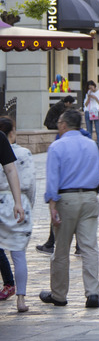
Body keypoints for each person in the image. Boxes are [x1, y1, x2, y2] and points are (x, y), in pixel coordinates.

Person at [40, 109, 99, 308]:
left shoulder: (57, 147)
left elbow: (52, 181)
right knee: (89, 247)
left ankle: (59, 295)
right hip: (90, 198)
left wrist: (52, 207)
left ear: (63, 124)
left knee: (61, 249)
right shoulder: (93, 145)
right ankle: (92, 293)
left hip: (66, 199)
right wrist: (89, 179)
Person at [0, 117, 33, 312]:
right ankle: (21, 300)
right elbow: (12, 171)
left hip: (10, 201)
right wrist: (20, 202)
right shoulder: (21, 151)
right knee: (18, 254)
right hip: (11, 202)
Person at [83, 80, 99, 145]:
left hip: (96, 111)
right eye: (89, 88)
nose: (91, 89)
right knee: (89, 130)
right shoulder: (88, 92)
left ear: (94, 86)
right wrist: (89, 98)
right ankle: (89, 143)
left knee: (98, 129)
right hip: (88, 111)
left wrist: (95, 98)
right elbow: (85, 104)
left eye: (91, 87)